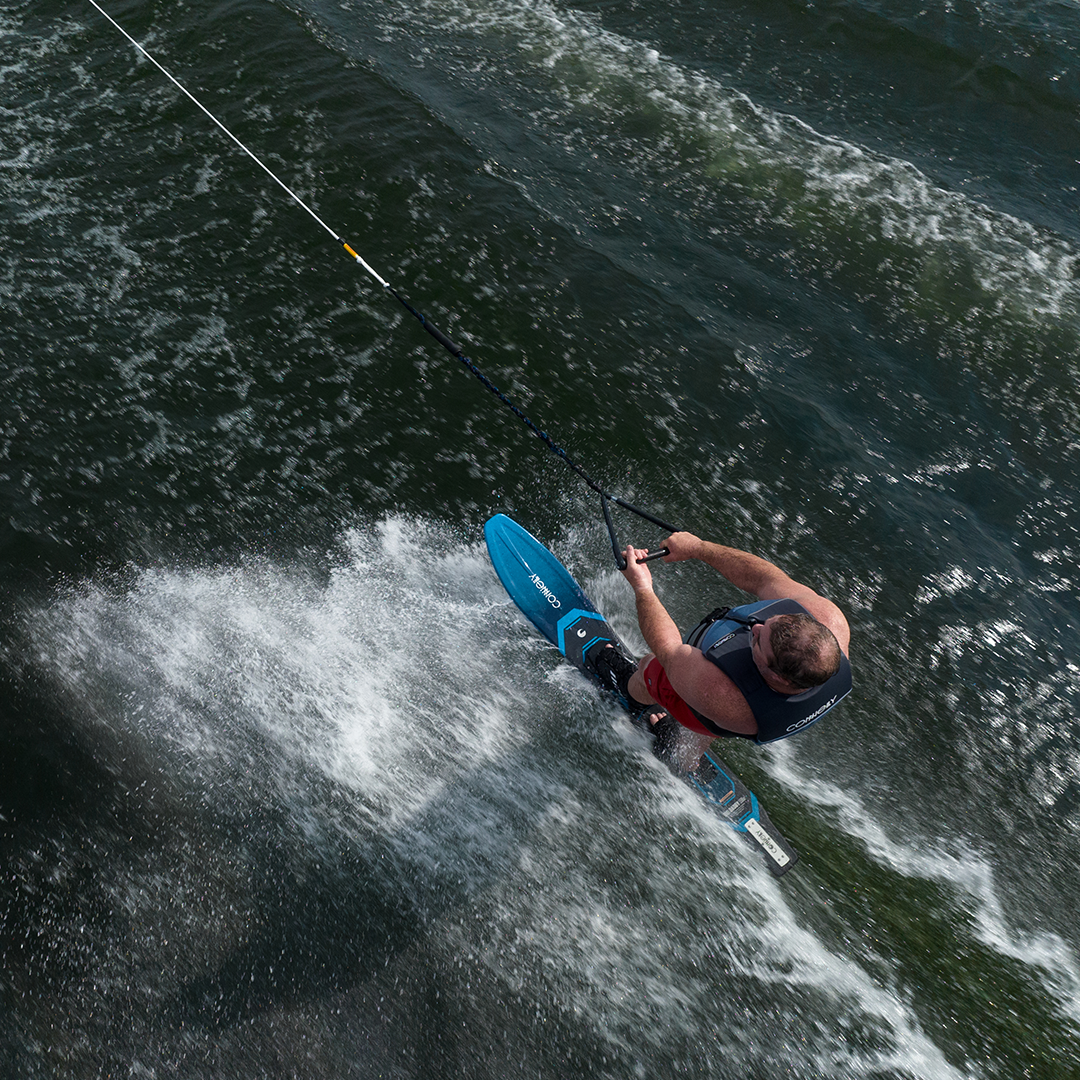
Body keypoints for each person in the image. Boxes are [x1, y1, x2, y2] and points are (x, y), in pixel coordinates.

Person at [587, 531, 851, 764]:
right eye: (769, 621)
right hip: (745, 707)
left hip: (728, 703)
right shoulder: (827, 618)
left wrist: (642, 586)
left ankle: (628, 691)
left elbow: (668, 650)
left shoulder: (719, 692)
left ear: (775, 676)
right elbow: (764, 578)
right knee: (719, 718)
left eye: (759, 641)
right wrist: (698, 548)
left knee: (652, 668)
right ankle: (686, 758)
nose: (756, 627)